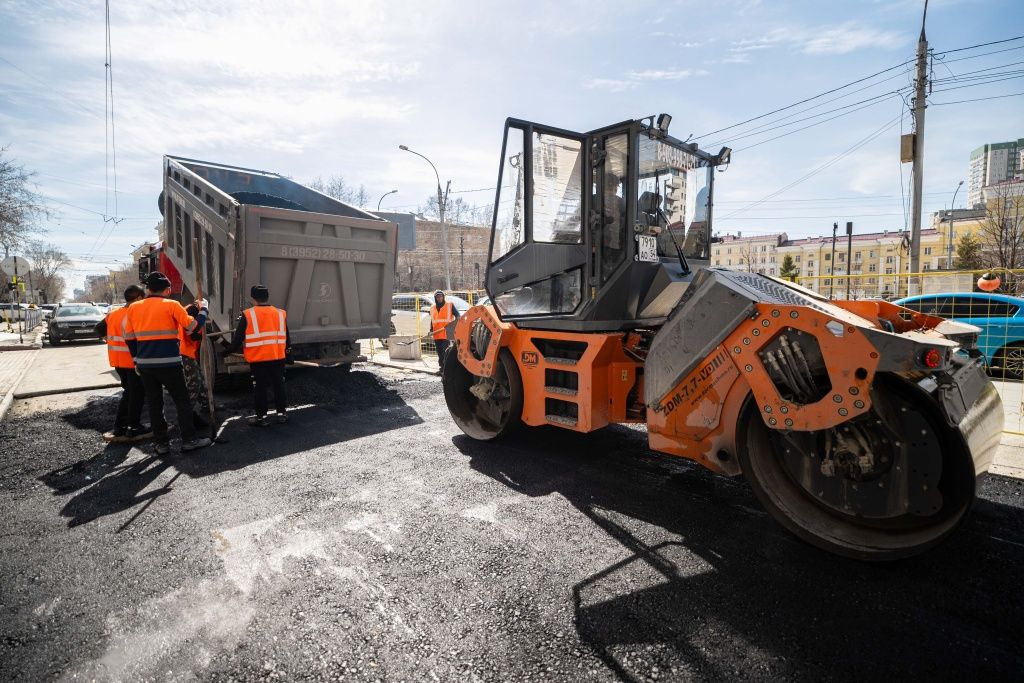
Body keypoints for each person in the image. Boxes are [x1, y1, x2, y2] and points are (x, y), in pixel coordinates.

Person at [123, 272, 211, 454]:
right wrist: (204, 310)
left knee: (155, 404)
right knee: (182, 401)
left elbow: (129, 337)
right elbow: (192, 327)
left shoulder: (133, 308)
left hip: (146, 365)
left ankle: (161, 444)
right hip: (170, 363)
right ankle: (189, 440)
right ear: (168, 290)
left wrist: (136, 360)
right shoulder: (172, 305)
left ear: (148, 289)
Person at [224, 284, 290, 427]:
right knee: (279, 385)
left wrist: (226, 351)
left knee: (260, 388)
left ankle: (262, 418)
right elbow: (287, 336)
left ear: (253, 298)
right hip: (278, 357)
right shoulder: (280, 313)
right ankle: (282, 414)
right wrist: (289, 354)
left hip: (259, 360)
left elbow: (237, 340)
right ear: (267, 297)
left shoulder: (248, 314)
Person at [94, 285, 151, 442]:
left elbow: (98, 329)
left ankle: (121, 427)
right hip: (131, 361)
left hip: (117, 362)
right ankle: (132, 426)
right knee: (136, 394)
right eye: (143, 297)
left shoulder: (113, 314)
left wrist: (107, 338)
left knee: (129, 393)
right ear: (138, 298)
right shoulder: (136, 313)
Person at [180, 302, 210, 429]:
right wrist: (201, 333)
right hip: (184, 353)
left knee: (201, 378)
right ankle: (187, 413)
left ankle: (207, 404)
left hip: (188, 353)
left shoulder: (189, 309)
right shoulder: (191, 311)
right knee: (194, 383)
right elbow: (192, 333)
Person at [429, 290, 459, 368]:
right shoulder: (432, 308)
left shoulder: (450, 305)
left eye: (441, 296)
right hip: (436, 334)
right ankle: (442, 368)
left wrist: (454, 325)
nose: (439, 298)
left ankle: (446, 368)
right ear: (435, 298)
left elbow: (457, 316)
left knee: (445, 352)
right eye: (438, 297)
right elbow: (432, 321)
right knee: (439, 353)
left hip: (446, 334)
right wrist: (431, 330)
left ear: (443, 297)